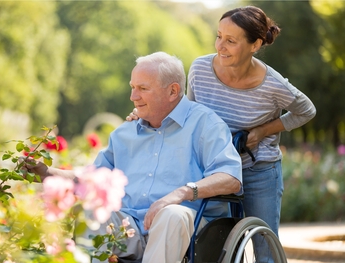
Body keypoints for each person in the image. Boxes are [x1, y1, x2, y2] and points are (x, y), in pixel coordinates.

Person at [128, 6, 316, 263]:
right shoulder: (200, 69)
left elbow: (306, 111)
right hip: (210, 167)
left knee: (264, 249)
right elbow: (186, 112)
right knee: (209, 242)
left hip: (256, 166)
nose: (220, 46)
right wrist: (146, 111)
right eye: (218, 36)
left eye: (230, 40)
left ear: (255, 44)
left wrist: (262, 131)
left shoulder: (272, 84)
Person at [27, 51, 242, 263]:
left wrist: (181, 193)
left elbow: (231, 178)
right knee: (91, 210)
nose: (133, 96)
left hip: (189, 233)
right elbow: (93, 180)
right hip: (129, 229)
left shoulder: (205, 124)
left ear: (172, 91)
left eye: (143, 88)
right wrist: (47, 172)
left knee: (172, 214)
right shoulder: (124, 133)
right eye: (132, 87)